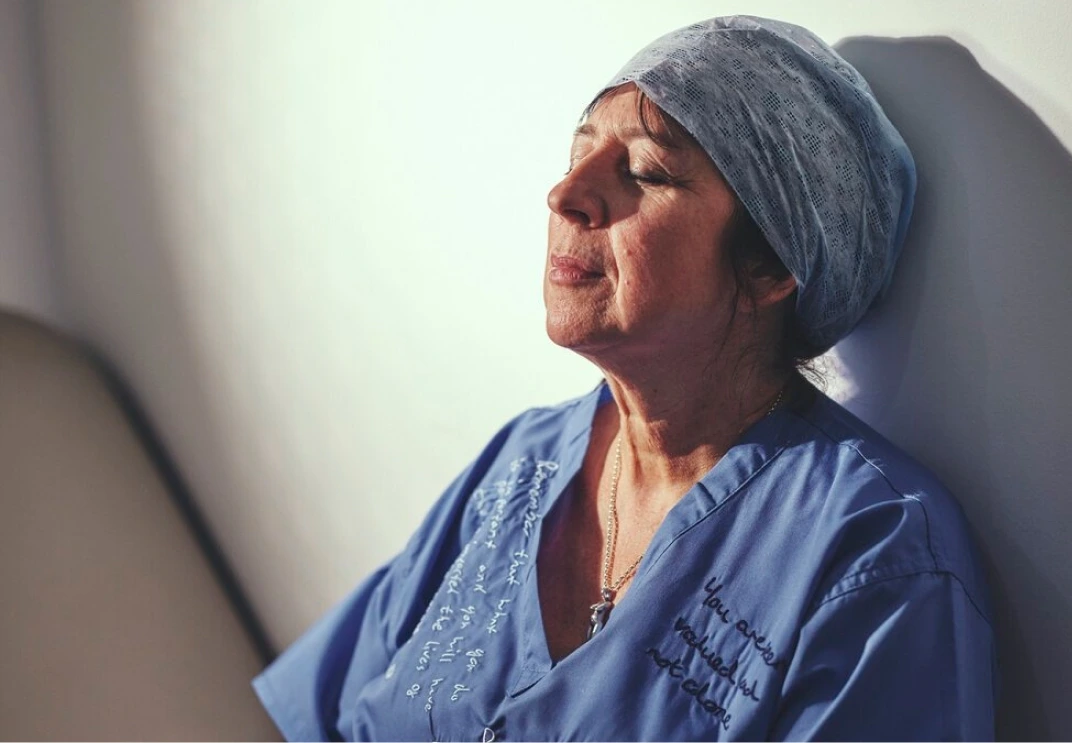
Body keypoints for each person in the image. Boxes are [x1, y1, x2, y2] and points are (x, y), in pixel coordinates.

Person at [253, 14, 996, 741]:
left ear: (770, 263)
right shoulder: (524, 460)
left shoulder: (876, 554)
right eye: (577, 152)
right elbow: (319, 713)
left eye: (643, 170)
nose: (565, 194)